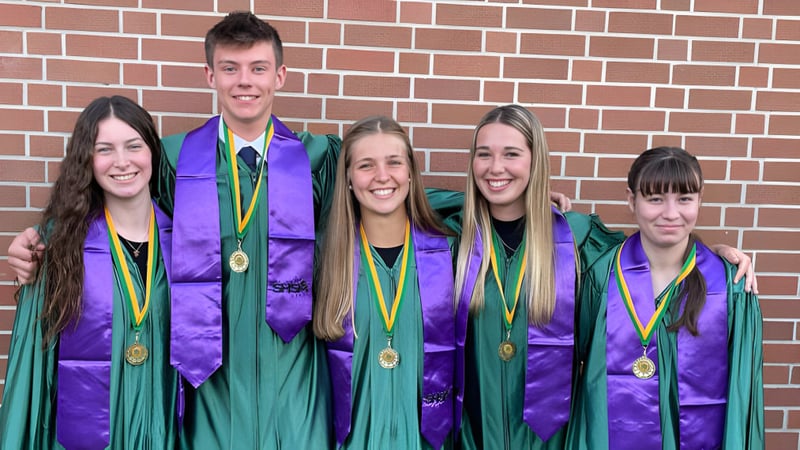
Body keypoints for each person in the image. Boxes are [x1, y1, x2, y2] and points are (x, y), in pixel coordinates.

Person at [6, 12, 339, 449]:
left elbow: (381, 202)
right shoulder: (176, 160)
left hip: (294, 372)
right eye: (229, 68)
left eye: (258, 68)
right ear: (210, 75)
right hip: (208, 380)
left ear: (279, 75)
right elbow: (113, 206)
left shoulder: (317, 159)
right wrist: (40, 237)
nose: (245, 81)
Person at [443, 105, 757, 450]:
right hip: (473, 432)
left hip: (554, 439)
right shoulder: (455, 238)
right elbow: (400, 199)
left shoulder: (576, 237)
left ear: (536, 161)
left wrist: (715, 255)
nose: (495, 167)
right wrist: (481, 197)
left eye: (512, 154)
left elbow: (652, 251)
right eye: (483, 155)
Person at [0, 96, 180, 448]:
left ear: (153, 153)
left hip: (163, 428)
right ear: (88, 160)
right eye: (105, 150)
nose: (122, 162)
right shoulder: (60, 245)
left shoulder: (187, 242)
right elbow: (35, 365)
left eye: (133, 146)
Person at [567, 146, 764, 449]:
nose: (670, 213)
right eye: (655, 199)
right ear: (631, 200)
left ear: (700, 200)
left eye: (684, 199)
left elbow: (742, 396)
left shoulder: (731, 285)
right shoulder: (601, 275)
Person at [313, 116, 457, 449]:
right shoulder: (325, 258)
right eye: (366, 165)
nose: (382, 176)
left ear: (410, 173)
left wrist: (531, 203)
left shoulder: (449, 255)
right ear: (347, 178)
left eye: (394, 162)